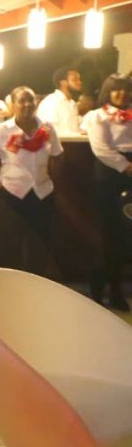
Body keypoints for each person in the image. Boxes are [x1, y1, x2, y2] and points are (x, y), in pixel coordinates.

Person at [0, 86, 63, 277]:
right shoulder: (2, 130)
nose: (27, 104)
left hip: (42, 193)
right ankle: (10, 284)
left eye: (31, 100)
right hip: (11, 194)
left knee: (41, 244)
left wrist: (53, 180)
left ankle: (36, 285)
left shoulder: (47, 128)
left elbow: (58, 155)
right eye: (22, 101)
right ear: (12, 105)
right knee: (9, 243)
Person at [82, 73, 132, 311]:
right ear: (108, 91)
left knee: (126, 235)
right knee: (109, 233)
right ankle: (106, 287)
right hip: (110, 175)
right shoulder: (97, 116)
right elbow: (102, 150)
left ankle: (117, 286)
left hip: (129, 174)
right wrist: (127, 167)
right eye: (117, 89)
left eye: (126, 89)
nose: (122, 93)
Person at [36, 66, 83, 134]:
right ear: (63, 83)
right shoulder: (51, 103)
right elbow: (47, 133)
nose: (79, 82)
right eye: (75, 80)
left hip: (73, 143)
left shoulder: (72, 103)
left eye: (79, 79)